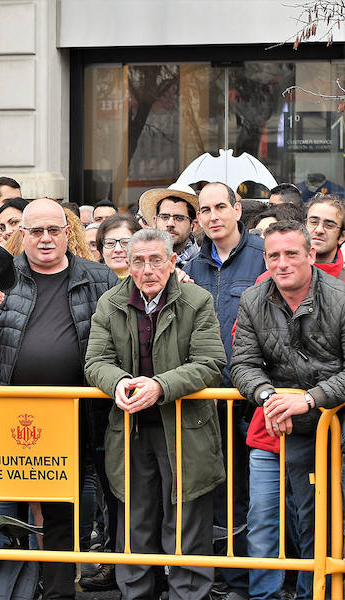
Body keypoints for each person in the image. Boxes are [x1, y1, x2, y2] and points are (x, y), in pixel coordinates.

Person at [0, 199, 118, 600]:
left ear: (67, 232)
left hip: (72, 412)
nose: (45, 239)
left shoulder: (99, 277)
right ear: (23, 235)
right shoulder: (3, 275)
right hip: (5, 408)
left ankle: (58, 592)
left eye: (53, 230)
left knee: (61, 505)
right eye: (35, 231)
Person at [85, 228, 226, 600]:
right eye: (139, 261)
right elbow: (96, 361)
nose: (147, 269)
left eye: (155, 260)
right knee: (134, 524)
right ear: (128, 266)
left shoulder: (197, 300)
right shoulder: (109, 303)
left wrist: (160, 385)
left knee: (187, 526)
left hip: (186, 429)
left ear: (172, 260)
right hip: (129, 430)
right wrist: (118, 383)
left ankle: (188, 595)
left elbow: (211, 361)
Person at [230, 220, 345, 600]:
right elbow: (242, 364)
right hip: (283, 427)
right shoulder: (252, 299)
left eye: (292, 254)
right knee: (278, 519)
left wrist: (309, 398)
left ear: (311, 255)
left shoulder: (340, 298)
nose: (282, 263)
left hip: (336, 427)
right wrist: (268, 396)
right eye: (273, 255)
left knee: (328, 521)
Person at [183, 181, 265, 600]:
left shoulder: (263, 255)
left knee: (251, 493)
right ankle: (216, 577)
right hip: (203, 398)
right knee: (210, 491)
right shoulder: (192, 266)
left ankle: (244, 580)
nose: (212, 216)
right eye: (205, 210)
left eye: (220, 207)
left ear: (237, 209)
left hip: (249, 398)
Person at [138, 185, 200, 268]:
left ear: (193, 225)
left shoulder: (207, 263)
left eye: (179, 218)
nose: (170, 223)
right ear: (154, 222)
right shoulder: (139, 261)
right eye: (164, 217)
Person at [96, 213, 142, 278]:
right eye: (110, 243)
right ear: (101, 249)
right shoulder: (89, 283)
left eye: (126, 243)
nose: (118, 250)